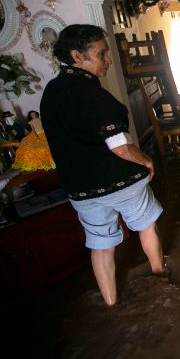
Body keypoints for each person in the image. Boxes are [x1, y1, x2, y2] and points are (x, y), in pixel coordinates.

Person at [40, 24, 166, 307]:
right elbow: (120, 147)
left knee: (100, 245)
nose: (107, 60)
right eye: (101, 54)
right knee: (146, 225)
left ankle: (111, 303)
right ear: (77, 55)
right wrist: (146, 161)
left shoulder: (51, 92)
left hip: (81, 188)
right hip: (118, 180)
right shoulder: (91, 93)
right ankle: (161, 277)